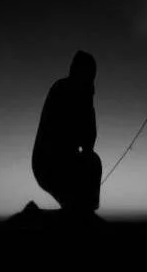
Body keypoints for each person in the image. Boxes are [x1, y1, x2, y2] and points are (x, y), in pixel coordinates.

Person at [32, 50, 102, 213]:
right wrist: (88, 101)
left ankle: (76, 210)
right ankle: (80, 214)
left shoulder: (62, 87)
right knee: (92, 162)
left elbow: (86, 140)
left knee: (91, 162)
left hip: (49, 164)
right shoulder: (68, 90)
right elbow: (88, 141)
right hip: (52, 164)